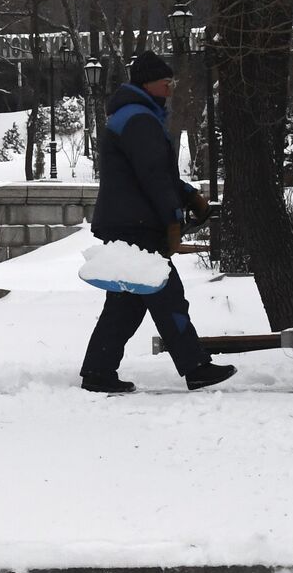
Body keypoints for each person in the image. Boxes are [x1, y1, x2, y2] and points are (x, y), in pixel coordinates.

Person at [80, 52, 237, 394]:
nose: (170, 89)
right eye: (166, 83)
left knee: (128, 302)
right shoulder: (139, 120)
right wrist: (173, 219)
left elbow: (156, 174)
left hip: (129, 221)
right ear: (148, 83)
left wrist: (189, 197)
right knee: (167, 296)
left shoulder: (133, 116)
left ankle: (98, 371)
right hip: (138, 225)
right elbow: (153, 176)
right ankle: (195, 367)